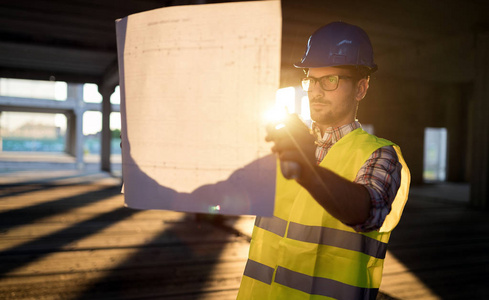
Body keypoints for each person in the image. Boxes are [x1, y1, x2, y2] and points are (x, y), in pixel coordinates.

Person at [237, 21, 410, 299]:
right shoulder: (284, 143)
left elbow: (368, 211)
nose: (316, 91)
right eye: (311, 79)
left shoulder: (381, 155)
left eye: (330, 80)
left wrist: (306, 170)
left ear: (361, 89)